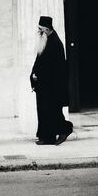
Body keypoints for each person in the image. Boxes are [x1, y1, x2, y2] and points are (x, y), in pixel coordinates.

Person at [30, 16, 73, 145]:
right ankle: (46, 136)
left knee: (52, 112)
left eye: (41, 29)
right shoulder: (45, 40)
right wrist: (33, 76)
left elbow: (56, 70)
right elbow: (39, 62)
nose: (39, 32)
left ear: (48, 29)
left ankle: (65, 129)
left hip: (52, 87)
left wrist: (40, 77)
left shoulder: (55, 43)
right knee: (45, 111)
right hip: (44, 85)